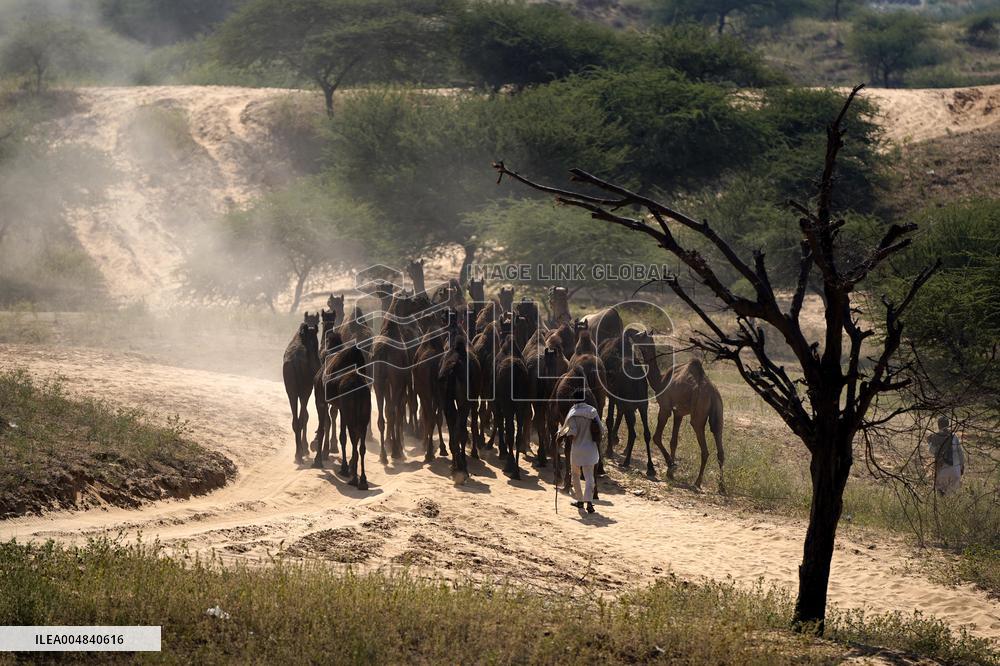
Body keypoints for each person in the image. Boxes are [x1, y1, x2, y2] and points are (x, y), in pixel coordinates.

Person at [557, 390, 605, 514]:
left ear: (574, 400)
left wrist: (561, 434)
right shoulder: (592, 411)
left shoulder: (573, 413)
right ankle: (589, 503)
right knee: (589, 477)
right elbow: (602, 429)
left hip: (577, 450)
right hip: (591, 450)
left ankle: (579, 501)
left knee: (575, 475)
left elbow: (572, 433)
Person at [927, 415, 966, 496]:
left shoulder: (936, 436)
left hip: (942, 469)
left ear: (938, 425)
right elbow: (961, 453)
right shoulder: (954, 436)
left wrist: (930, 442)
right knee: (951, 495)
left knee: (941, 493)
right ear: (948, 425)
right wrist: (961, 467)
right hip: (956, 470)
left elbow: (931, 451)